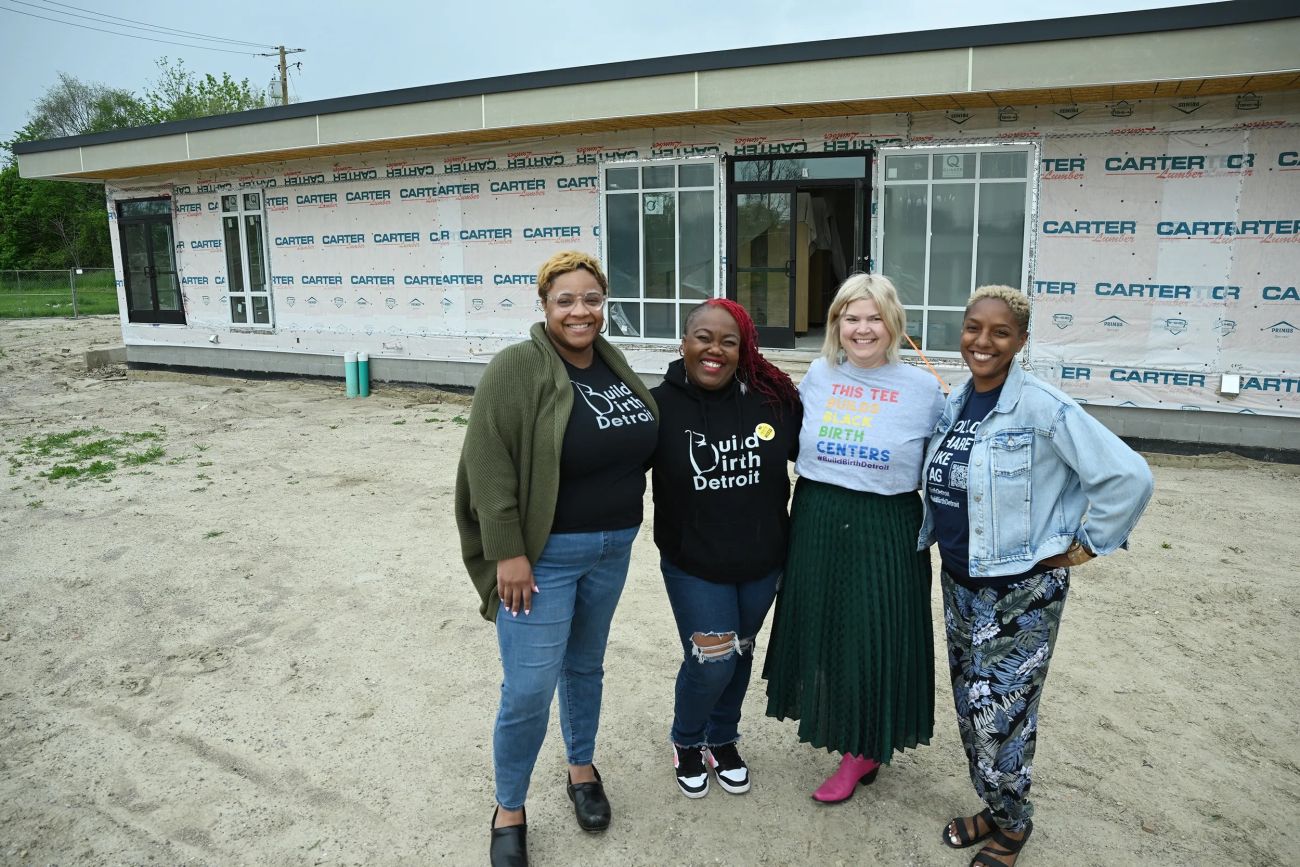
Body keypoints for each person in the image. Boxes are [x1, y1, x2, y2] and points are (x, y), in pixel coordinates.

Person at [921, 285, 1153, 866]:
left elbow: (1128, 477)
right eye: (975, 327)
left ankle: (1014, 826)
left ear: (1021, 341)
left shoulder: (1044, 407)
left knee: (1006, 715)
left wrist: (1085, 546)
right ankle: (996, 806)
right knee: (974, 710)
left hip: (1019, 593)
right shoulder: (959, 402)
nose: (983, 341)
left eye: (1001, 332)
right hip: (959, 582)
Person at [454, 250, 659, 867]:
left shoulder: (613, 364)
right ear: (544, 306)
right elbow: (486, 463)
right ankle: (509, 808)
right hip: (544, 558)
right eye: (566, 300)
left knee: (586, 667)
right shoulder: (517, 367)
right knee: (527, 689)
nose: (580, 310)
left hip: (611, 548)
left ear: (604, 304)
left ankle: (580, 768)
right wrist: (507, 553)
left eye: (591, 299)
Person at [763, 274, 946, 803]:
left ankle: (864, 747)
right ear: (836, 324)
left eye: (874, 318)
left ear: (893, 324)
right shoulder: (819, 374)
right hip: (818, 514)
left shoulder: (923, 389)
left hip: (884, 524)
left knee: (873, 633)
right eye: (851, 318)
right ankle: (848, 731)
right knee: (827, 629)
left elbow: (954, 463)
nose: (862, 329)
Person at [649, 298, 802, 799]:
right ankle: (687, 740)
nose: (714, 349)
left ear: (744, 350)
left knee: (740, 652)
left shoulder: (774, 402)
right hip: (695, 565)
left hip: (761, 564)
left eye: (728, 341)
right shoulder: (657, 406)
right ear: (684, 343)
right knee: (711, 658)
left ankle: (723, 736)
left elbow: (823, 459)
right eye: (703, 338)